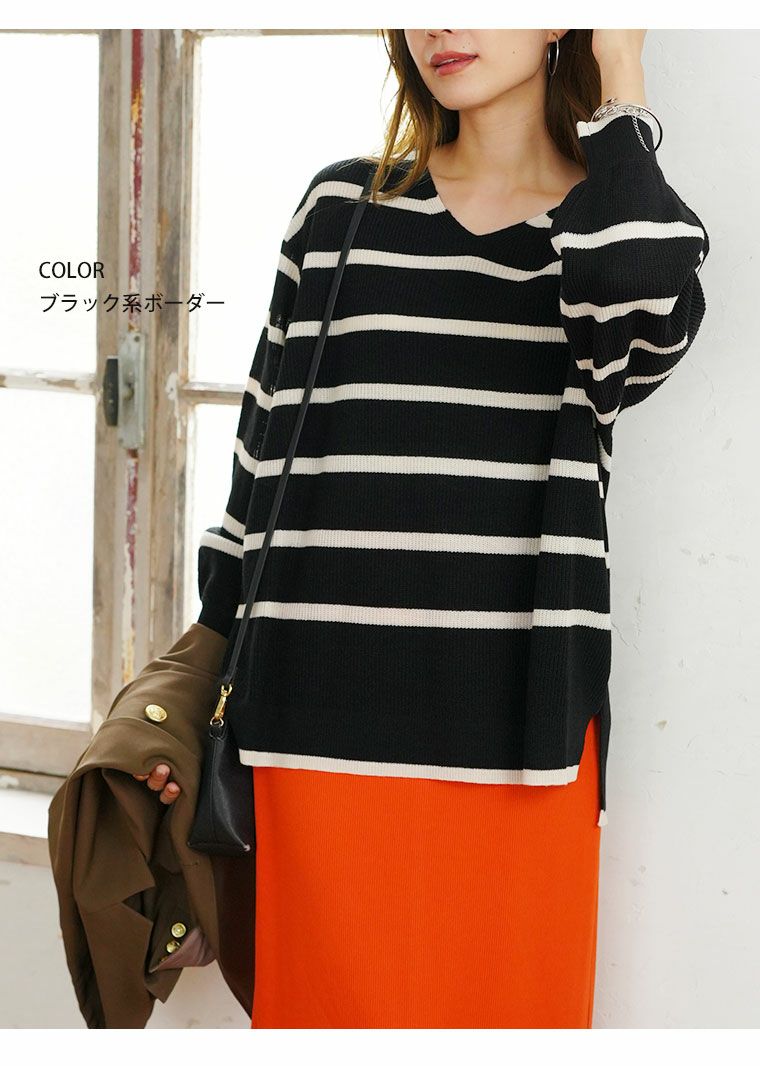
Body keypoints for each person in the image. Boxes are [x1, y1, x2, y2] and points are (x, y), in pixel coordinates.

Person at [134, 28, 709, 1027]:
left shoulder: (603, 227)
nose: (441, 23)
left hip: (518, 734)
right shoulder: (341, 211)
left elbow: (641, 318)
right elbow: (260, 459)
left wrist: (621, 71)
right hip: (313, 726)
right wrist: (196, 681)